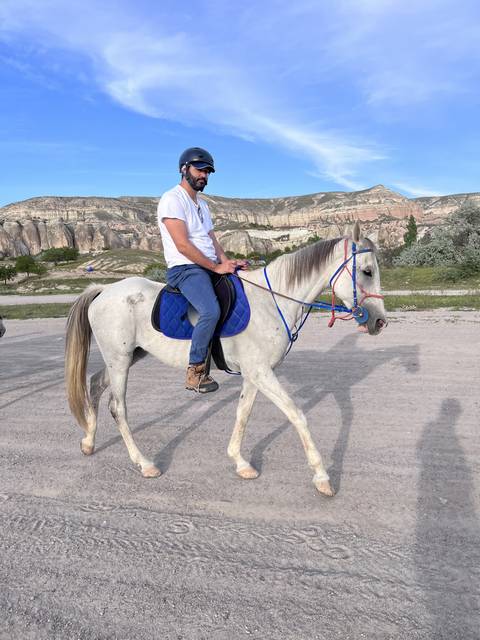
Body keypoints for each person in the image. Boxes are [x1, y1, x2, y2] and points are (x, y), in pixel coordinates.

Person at [157, 147, 247, 393]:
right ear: (184, 169)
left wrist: (228, 263)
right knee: (209, 310)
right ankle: (195, 371)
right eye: (200, 170)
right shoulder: (172, 199)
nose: (204, 176)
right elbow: (183, 245)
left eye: (208, 172)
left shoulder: (202, 206)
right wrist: (216, 267)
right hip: (185, 269)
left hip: (206, 265)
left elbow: (212, 242)